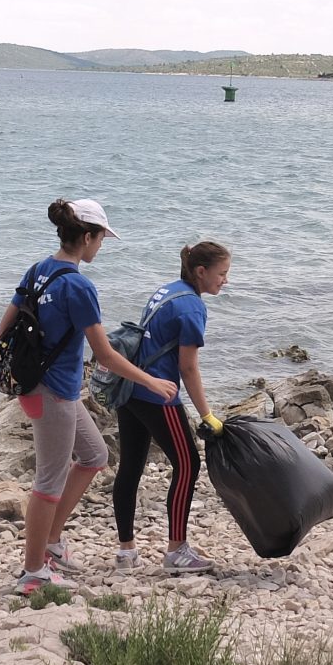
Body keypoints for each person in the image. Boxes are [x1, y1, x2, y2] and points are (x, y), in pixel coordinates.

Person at [0, 199, 176, 596]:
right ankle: (33, 573)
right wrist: (150, 381)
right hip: (54, 394)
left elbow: (3, 330)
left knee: (95, 456)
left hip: (41, 387)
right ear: (86, 237)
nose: (101, 245)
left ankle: (51, 543)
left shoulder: (38, 270)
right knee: (48, 480)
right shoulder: (79, 286)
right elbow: (105, 355)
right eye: (101, 239)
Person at [114, 241, 231, 574]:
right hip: (158, 394)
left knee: (130, 466)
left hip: (130, 387)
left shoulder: (167, 290)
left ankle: (126, 551)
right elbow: (188, 368)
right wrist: (207, 415)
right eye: (222, 274)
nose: (225, 280)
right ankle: (176, 550)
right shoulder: (192, 307)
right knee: (188, 463)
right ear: (201, 272)